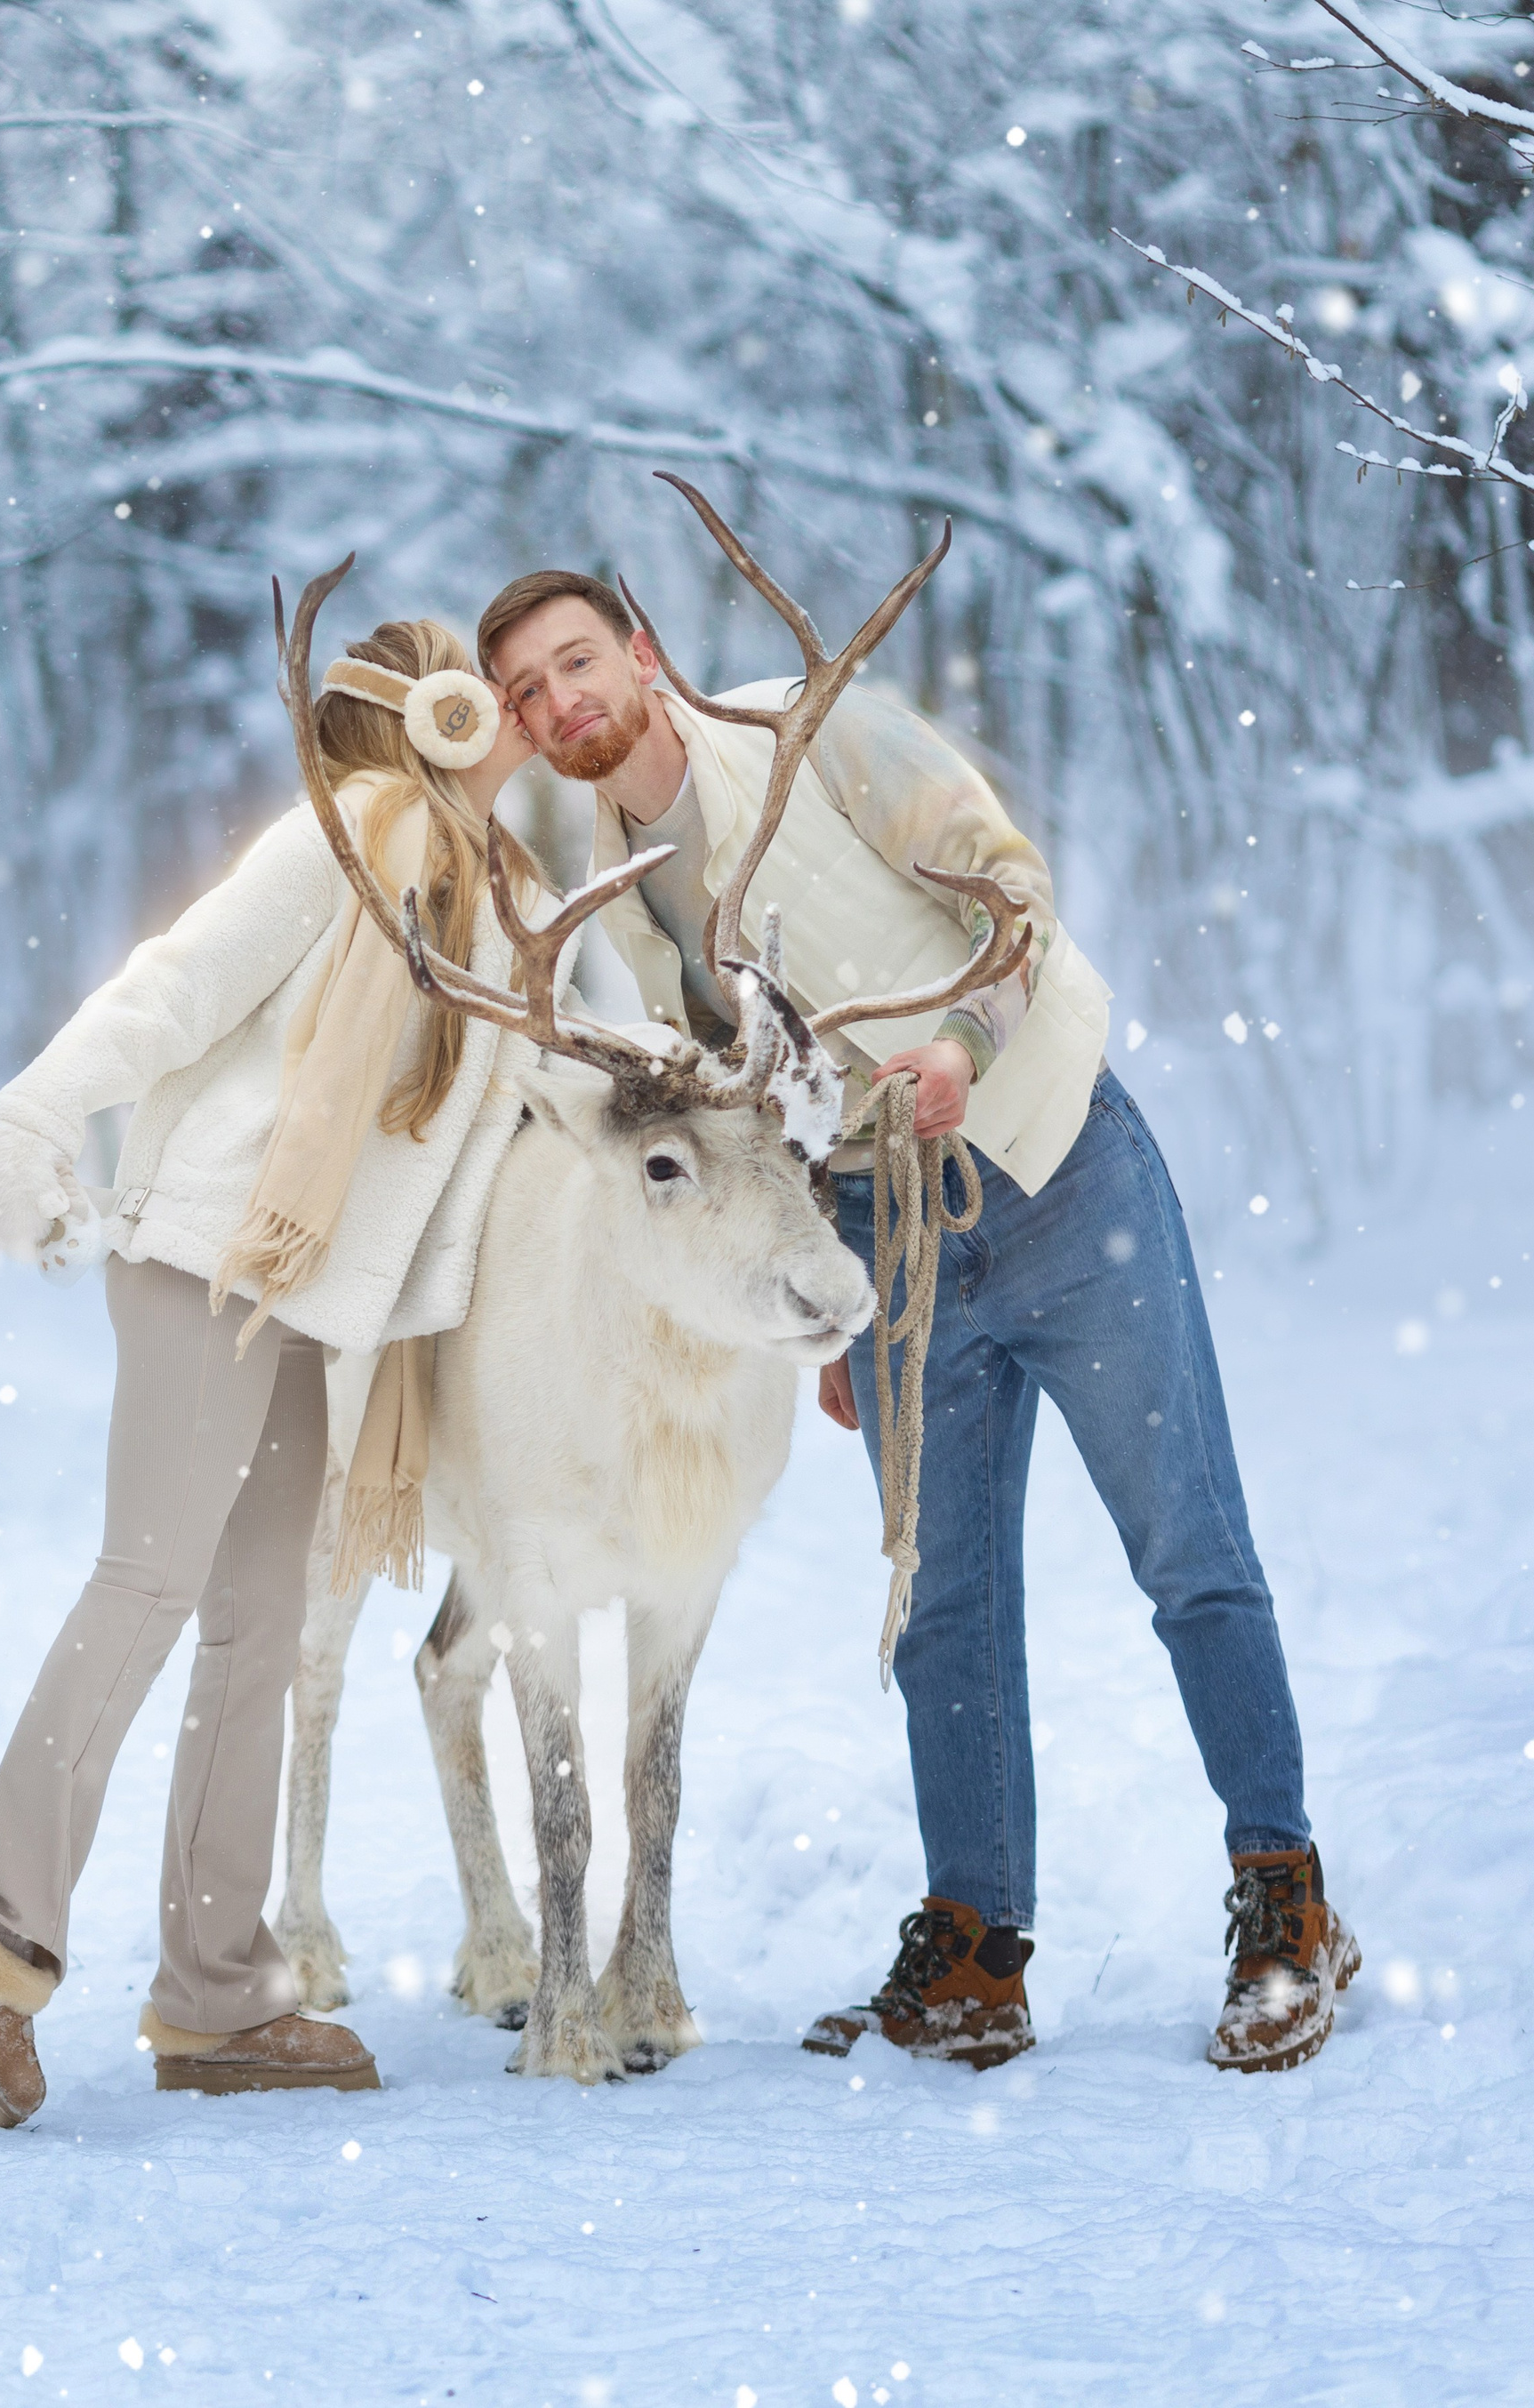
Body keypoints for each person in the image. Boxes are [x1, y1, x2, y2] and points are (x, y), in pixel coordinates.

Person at [478, 568, 1357, 2075]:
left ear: (640, 650)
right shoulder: (619, 899)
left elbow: (1007, 882)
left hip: (1056, 1166)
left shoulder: (813, 730)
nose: (561, 702)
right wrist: (800, 1289)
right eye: (523, 696)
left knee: (1190, 1550)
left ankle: (1286, 1905)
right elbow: (733, 1116)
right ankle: (975, 1947)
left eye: (575, 661)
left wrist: (957, 1043)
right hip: (886, 1247)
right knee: (942, 1601)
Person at [0, 621, 542, 2119]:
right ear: (427, 722)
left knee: (255, 1625)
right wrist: (33, 1122)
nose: (503, 715)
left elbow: (574, 1056)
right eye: (479, 694)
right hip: (202, 1257)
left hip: (299, 1303)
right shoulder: (349, 841)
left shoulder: (501, 902)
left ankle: (218, 1997)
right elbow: (173, 987)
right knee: (151, 1584)